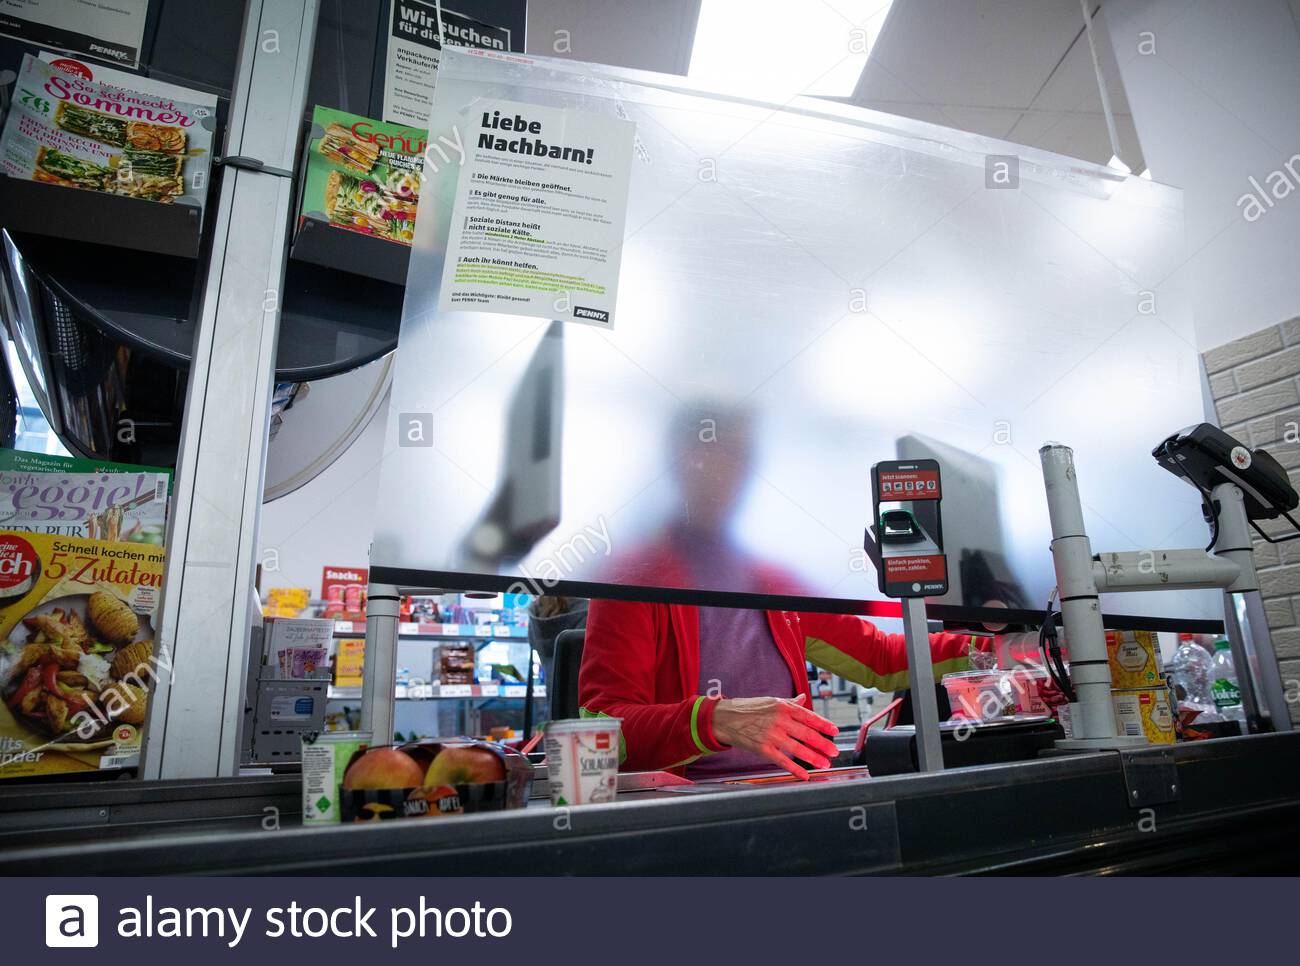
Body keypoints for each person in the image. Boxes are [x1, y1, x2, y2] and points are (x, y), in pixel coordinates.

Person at [578, 598, 984, 780]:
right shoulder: (633, 580)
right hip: (683, 819)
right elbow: (600, 734)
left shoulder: (773, 583)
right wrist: (712, 720)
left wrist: (994, 649)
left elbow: (880, 657)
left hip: (786, 797)